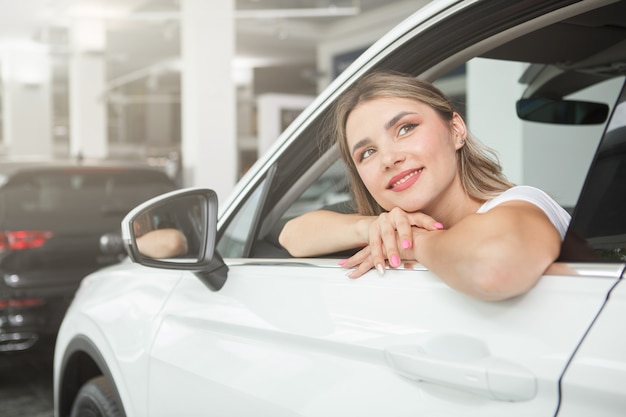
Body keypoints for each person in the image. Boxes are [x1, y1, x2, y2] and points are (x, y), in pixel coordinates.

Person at [279, 71, 570, 301]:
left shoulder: (526, 203)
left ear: (456, 131)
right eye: (367, 153)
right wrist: (371, 228)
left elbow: (492, 267)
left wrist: (410, 242)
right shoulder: (388, 223)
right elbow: (291, 235)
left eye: (405, 128)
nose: (389, 159)